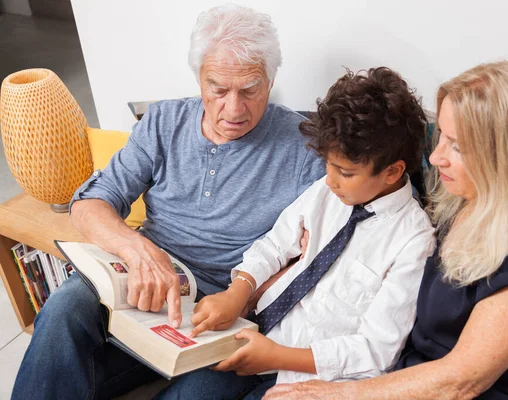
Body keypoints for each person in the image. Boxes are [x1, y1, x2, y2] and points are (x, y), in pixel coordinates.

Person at [11, 4, 324, 400]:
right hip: (143, 286)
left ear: (271, 79)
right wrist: (139, 252)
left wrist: (246, 296)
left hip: (228, 310)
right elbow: (89, 204)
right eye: (218, 89)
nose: (234, 109)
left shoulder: (303, 146)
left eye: (250, 89)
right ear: (199, 78)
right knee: (62, 310)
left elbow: (321, 252)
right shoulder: (162, 121)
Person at [263, 59, 508, 400]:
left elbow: (461, 380)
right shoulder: (456, 200)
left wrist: (332, 394)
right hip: (407, 379)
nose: (436, 158)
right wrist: (303, 262)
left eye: (457, 146)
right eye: (440, 136)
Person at [155, 67, 436, 400]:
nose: (329, 179)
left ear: (392, 172)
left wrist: (276, 356)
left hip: (315, 377)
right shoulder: (328, 191)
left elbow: (375, 351)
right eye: (327, 164)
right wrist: (238, 291)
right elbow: (275, 243)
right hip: (254, 336)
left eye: (344, 172)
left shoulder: (413, 241)